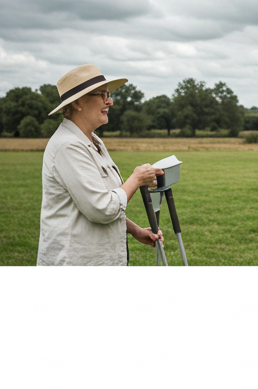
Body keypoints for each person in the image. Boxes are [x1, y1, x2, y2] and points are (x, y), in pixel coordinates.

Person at [36, 65, 163, 265]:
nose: (110, 101)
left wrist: (134, 229)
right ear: (77, 102)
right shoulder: (68, 146)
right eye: (102, 95)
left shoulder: (93, 141)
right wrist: (137, 179)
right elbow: (101, 209)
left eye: (109, 94)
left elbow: (98, 198)